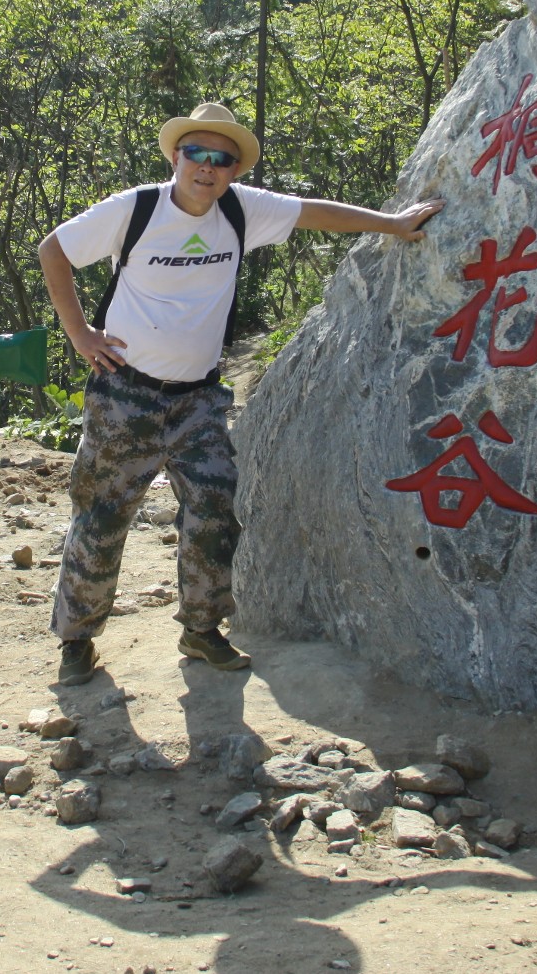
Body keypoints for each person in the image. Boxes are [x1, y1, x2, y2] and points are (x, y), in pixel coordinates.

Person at [38, 102, 443, 686]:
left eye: (221, 158)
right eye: (196, 154)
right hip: (124, 395)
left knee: (214, 509)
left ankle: (201, 630)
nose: (207, 167)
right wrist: (79, 334)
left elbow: (314, 214)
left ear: (233, 169)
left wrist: (392, 223)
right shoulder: (138, 208)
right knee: (101, 519)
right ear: (176, 157)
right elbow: (54, 249)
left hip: (199, 400)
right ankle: (77, 639)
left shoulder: (241, 209)